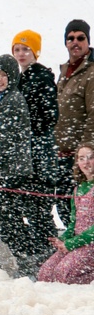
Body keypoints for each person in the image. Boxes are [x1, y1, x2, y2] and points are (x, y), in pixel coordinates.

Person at [0, 55, 47, 278]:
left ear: (12, 76)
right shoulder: (7, 100)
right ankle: (31, 263)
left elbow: (1, 143)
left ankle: (31, 265)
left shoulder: (12, 100)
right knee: (12, 225)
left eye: (3, 74)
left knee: (10, 226)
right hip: (11, 171)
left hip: (12, 174)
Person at [11, 30, 59, 259]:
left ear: (35, 52)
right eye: (17, 50)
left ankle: (48, 256)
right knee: (30, 206)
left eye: (25, 49)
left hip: (39, 151)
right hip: (27, 151)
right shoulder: (19, 78)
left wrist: (27, 125)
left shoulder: (41, 76)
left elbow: (50, 115)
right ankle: (40, 257)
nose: (21, 54)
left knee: (39, 206)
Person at [54, 20, 94, 223]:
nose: (75, 42)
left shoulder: (91, 72)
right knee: (64, 205)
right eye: (71, 38)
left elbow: (93, 115)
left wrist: (84, 154)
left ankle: (83, 253)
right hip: (63, 152)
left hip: (82, 157)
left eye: (81, 38)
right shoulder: (65, 71)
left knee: (83, 214)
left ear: (88, 40)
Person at [37, 143, 94, 284]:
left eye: (90, 157)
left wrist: (72, 243)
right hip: (77, 243)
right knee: (45, 274)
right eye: (81, 158)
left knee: (63, 274)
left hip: (90, 244)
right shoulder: (77, 189)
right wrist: (64, 239)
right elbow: (74, 222)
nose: (86, 162)